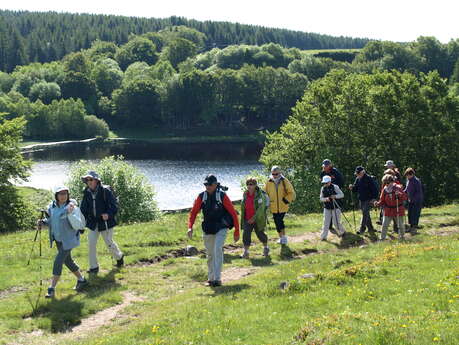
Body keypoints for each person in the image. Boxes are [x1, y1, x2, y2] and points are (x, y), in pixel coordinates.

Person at [188, 174, 240, 287]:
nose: (207, 186)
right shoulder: (201, 197)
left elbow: (233, 213)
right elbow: (193, 212)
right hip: (208, 228)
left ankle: (217, 279)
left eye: (210, 184)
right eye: (205, 184)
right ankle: (211, 279)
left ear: (215, 185)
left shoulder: (222, 196)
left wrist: (237, 231)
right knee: (210, 254)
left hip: (221, 227)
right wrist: (190, 227)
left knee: (217, 249)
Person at [41, 186, 88, 298]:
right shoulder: (52, 207)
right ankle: (82, 280)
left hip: (69, 240)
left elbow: (78, 223)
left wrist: (70, 213)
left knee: (58, 261)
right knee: (68, 261)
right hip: (58, 240)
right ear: (56, 196)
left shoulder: (71, 207)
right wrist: (42, 222)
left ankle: (51, 288)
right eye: (60, 194)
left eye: (65, 194)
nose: (63, 196)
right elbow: (51, 221)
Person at [80, 171, 124, 274]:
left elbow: (114, 206)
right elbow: (83, 209)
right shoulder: (86, 192)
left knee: (109, 243)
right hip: (92, 223)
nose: (88, 182)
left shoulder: (105, 191)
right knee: (91, 244)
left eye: (90, 179)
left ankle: (119, 257)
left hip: (105, 222)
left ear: (96, 180)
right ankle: (94, 267)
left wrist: (108, 214)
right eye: (87, 180)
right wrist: (80, 224)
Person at [264, 166, 296, 245]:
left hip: (283, 206)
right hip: (273, 206)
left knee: (279, 221)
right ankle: (281, 237)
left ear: (280, 173)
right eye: (273, 174)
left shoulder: (285, 181)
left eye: (276, 174)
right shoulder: (269, 182)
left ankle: (284, 237)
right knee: (276, 222)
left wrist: (285, 200)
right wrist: (266, 203)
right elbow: (264, 193)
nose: (274, 175)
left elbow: (291, 193)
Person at [240, 177, 270, 259]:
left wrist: (254, 218)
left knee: (260, 234)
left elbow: (261, 208)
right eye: (247, 184)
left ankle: (266, 247)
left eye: (251, 184)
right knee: (246, 235)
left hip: (258, 219)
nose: (249, 186)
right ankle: (246, 252)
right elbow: (243, 206)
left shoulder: (260, 195)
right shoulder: (245, 194)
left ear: (255, 185)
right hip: (247, 219)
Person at [375, 174, 407, 240]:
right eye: (385, 183)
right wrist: (377, 204)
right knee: (384, 225)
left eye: (387, 183)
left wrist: (399, 194)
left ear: (392, 181)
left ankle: (402, 237)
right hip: (388, 210)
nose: (386, 184)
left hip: (398, 209)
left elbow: (405, 198)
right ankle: (382, 238)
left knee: (400, 225)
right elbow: (382, 200)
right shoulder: (385, 189)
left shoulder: (398, 187)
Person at [349, 166, 378, 235]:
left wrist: (374, 199)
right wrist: (352, 188)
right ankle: (370, 228)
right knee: (366, 214)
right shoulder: (357, 179)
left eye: (358, 173)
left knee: (365, 213)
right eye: (357, 173)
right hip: (361, 199)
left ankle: (362, 229)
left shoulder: (369, 179)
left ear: (363, 172)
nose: (357, 175)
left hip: (369, 199)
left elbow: (375, 190)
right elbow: (355, 189)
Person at [319, 159, 344, 234]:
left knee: (335, 215)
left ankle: (341, 231)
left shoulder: (335, 172)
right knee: (327, 212)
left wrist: (335, 190)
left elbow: (341, 181)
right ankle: (329, 227)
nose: (325, 167)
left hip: (335, 191)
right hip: (326, 193)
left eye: (326, 166)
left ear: (330, 165)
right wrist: (326, 189)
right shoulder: (323, 173)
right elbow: (321, 181)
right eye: (324, 166)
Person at [319, 175, 346, 241]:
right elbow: (321, 198)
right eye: (324, 183)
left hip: (336, 207)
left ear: (330, 181)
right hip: (327, 208)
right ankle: (323, 237)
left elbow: (342, 195)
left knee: (336, 222)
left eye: (326, 182)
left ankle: (342, 232)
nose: (325, 184)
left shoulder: (335, 187)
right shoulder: (323, 188)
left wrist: (335, 196)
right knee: (325, 222)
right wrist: (326, 199)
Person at [404, 168, 424, 234]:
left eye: (408, 175)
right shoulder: (408, 180)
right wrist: (402, 193)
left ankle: (414, 228)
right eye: (406, 175)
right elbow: (406, 189)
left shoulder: (416, 181)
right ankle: (411, 227)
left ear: (412, 174)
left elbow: (418, 192)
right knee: (410, 214)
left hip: (417, 200)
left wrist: (413, 199)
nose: (407, 176)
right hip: (410, 200)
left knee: (415, 214)